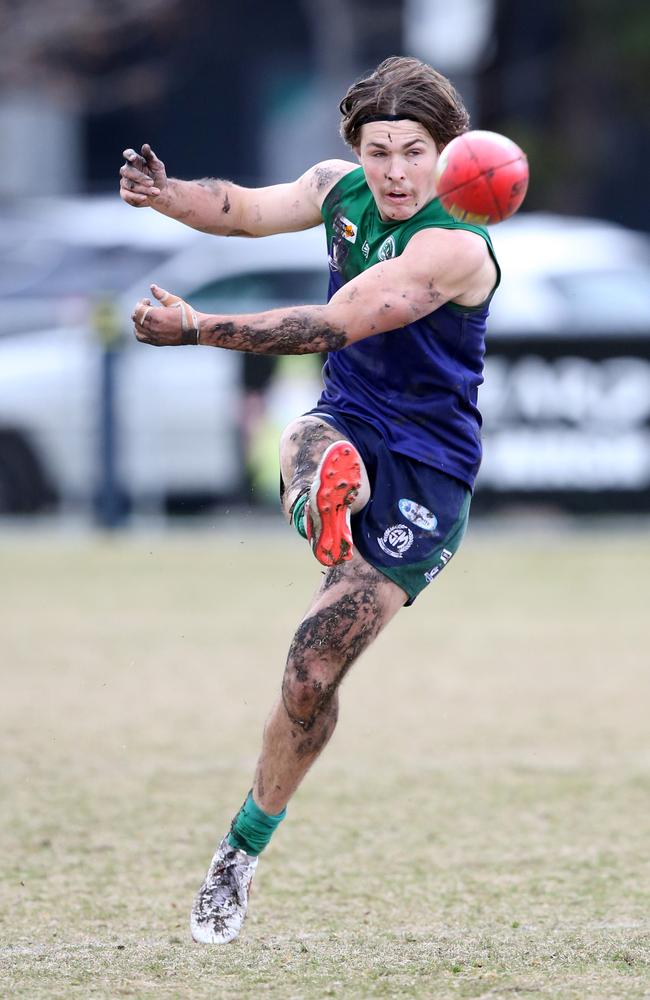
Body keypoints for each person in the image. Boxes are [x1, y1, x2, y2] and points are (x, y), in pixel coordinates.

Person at [121, 55, 499, 945]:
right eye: (380, 151)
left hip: (431, 475)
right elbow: (248, 209)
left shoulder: (452, 244)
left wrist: (197, 328)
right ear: (356, 151)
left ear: (449, 154)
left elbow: (333, 324)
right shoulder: (341, 190)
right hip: (349, 419)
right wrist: (168, 194)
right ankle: (325, 494)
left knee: (310, 672)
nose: (397, 171)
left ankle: (240, 850)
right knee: (313, 443)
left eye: (415, 151)